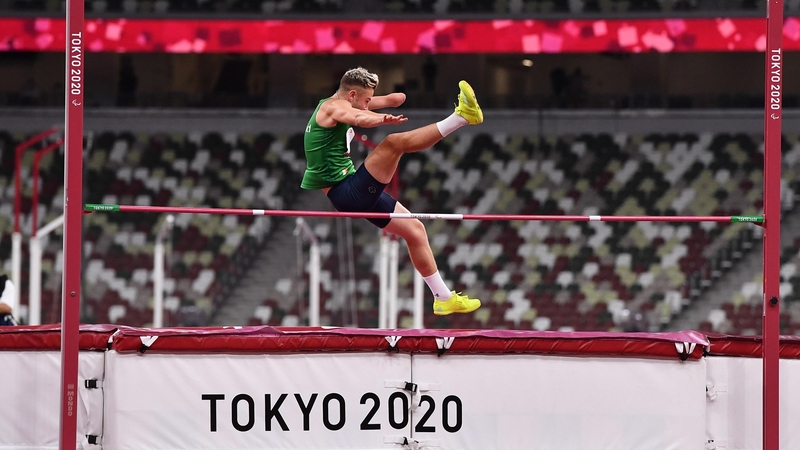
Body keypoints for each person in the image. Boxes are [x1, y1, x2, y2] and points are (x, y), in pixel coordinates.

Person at [301, 67, 483, 317]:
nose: (367, 106)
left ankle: (443, 298)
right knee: (393, 143)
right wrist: (381, 118)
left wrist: (392, 100)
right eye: (365, 101)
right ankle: (461, 117)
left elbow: (386, 100)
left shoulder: (348, 100)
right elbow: (360, 118)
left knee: (415, 230)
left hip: (350, 190)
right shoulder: (334, 108)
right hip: (348, 193)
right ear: (352, 95)